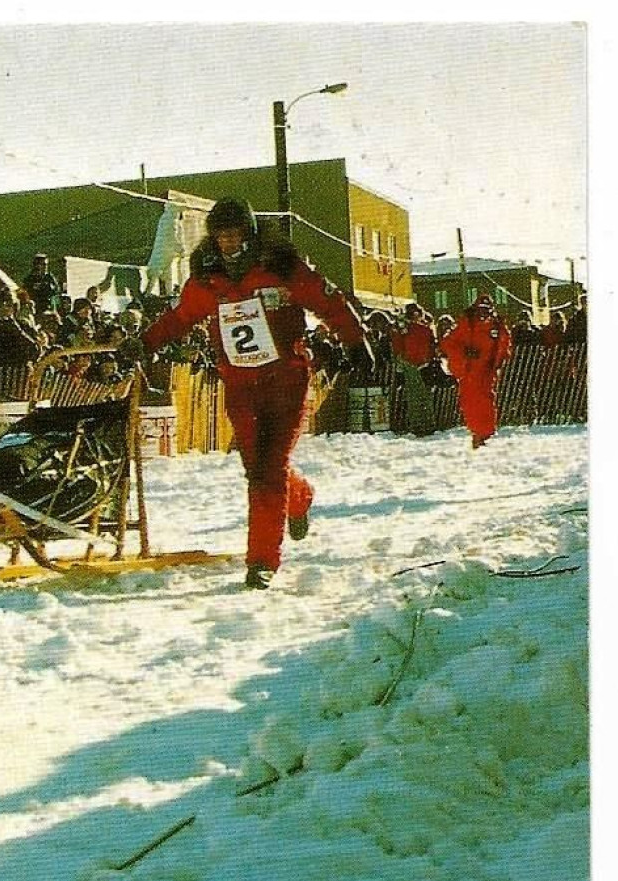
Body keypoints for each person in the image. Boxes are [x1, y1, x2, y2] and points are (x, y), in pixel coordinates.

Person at [133, 197, 373, 591]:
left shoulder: (281, 267)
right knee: (259, 468)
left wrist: (353, 337)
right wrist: (145, 343)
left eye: (235, 235)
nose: (228, 244)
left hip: (286, 381)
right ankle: (300, 496)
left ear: (250, 233)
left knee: (268, 468)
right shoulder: (208, 278)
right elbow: (179, 318)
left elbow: (326, 299)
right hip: (240, 386)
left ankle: (262, 560)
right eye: (221, 237)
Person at [438, 293, 513, 450]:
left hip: (487, 372)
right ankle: (477, 434)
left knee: (487, 401)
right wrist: (465, 353)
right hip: (469, 371)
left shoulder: (498, 327)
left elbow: (505, 346)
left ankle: (485, 433)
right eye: (480, 310)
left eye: (486, 310)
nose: (483, 313)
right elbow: (447, 343)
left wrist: (498, 363)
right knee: (470, 403)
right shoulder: (466, 324)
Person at [389, 303, 438, 437]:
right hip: (422, 364)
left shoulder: (403, 329)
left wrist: (400, 363)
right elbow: (432, 347)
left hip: (410, 363)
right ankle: (428, 424)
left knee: (414, 397)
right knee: (424, 396)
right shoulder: (425, 330)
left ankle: (418, 425)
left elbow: (397, 347)